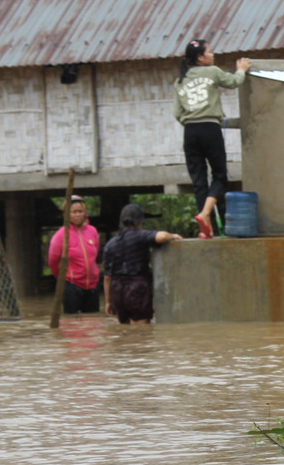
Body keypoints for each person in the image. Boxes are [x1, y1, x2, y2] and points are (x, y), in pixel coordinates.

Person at [173, 39, 252, 238]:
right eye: (209, 52)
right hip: (209, 128)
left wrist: (190, 120)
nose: (213, 55)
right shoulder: (212, 71)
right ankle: (205, 213)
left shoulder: (180, 81)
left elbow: (177, 112)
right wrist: (241, 69)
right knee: (219, 176)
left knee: (199, 180)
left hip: (190, 131)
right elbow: (234, 82)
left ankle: (205, 229)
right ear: (200, 58)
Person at [101, 204, 182, 324]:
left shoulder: (110, 244)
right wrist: (173, 235)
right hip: (137, 288)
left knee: (126, 332)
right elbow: (163, 236)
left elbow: (107, 277)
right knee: (142, 332)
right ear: (140, 221)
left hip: (116, 290)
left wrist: (108, 302)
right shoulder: (140, 235)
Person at [47, 195, 101, 314]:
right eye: (73, 212)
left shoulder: (92, 231)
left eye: (80, 211)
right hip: (72, 286)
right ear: (66, 214)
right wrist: (65, 278)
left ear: (85, 213)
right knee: (72, 325)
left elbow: (95, 255)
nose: (77, 215)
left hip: (92, 286)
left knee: (93, 323)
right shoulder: (61, 235)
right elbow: (53, 262)